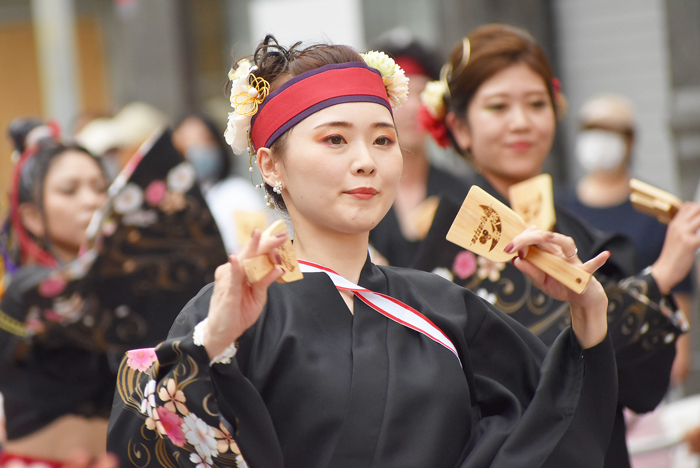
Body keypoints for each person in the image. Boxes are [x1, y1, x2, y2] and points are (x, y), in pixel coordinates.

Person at [107, 35, 618, 468]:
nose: (365, 161)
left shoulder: (445, 306)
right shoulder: (230, 311)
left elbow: (552, 428)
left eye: (382, 140)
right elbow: (144, 442)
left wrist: (587, 312)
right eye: (334, 140)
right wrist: (212, 343)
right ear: (270, 165)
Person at [406, 24, 700, 468]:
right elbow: (540, 370)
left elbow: (642, 391)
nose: (521, 121)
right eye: (498, 106)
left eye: (537, 104)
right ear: (460, 128)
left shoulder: (580, 231)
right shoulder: (451, 240)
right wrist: (658, 278)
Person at [561, 94, 694, 388]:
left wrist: (681, 354)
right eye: (591, 129)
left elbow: (679, 286)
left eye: (610, 130)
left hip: (644, 355)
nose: (599, 139)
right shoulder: (560, 207)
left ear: (630, 140)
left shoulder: (654, 209)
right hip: (578, 362)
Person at [0, 120, 113, 462]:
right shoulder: (22, 292)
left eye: (100, 187)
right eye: (70, 190)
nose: (92, 200)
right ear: (33, 217)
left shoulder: (123, 287)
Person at [368, 33, 471, 266]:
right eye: (400, 96)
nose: (414, 106)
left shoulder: (459, 194)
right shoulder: (357, 191)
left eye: (423, 93)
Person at [172, 113, 266, 253]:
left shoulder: (237, 193)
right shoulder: (171, 206)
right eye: (186, 142)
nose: (197, 148)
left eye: (205, 139)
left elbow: (258, 255)